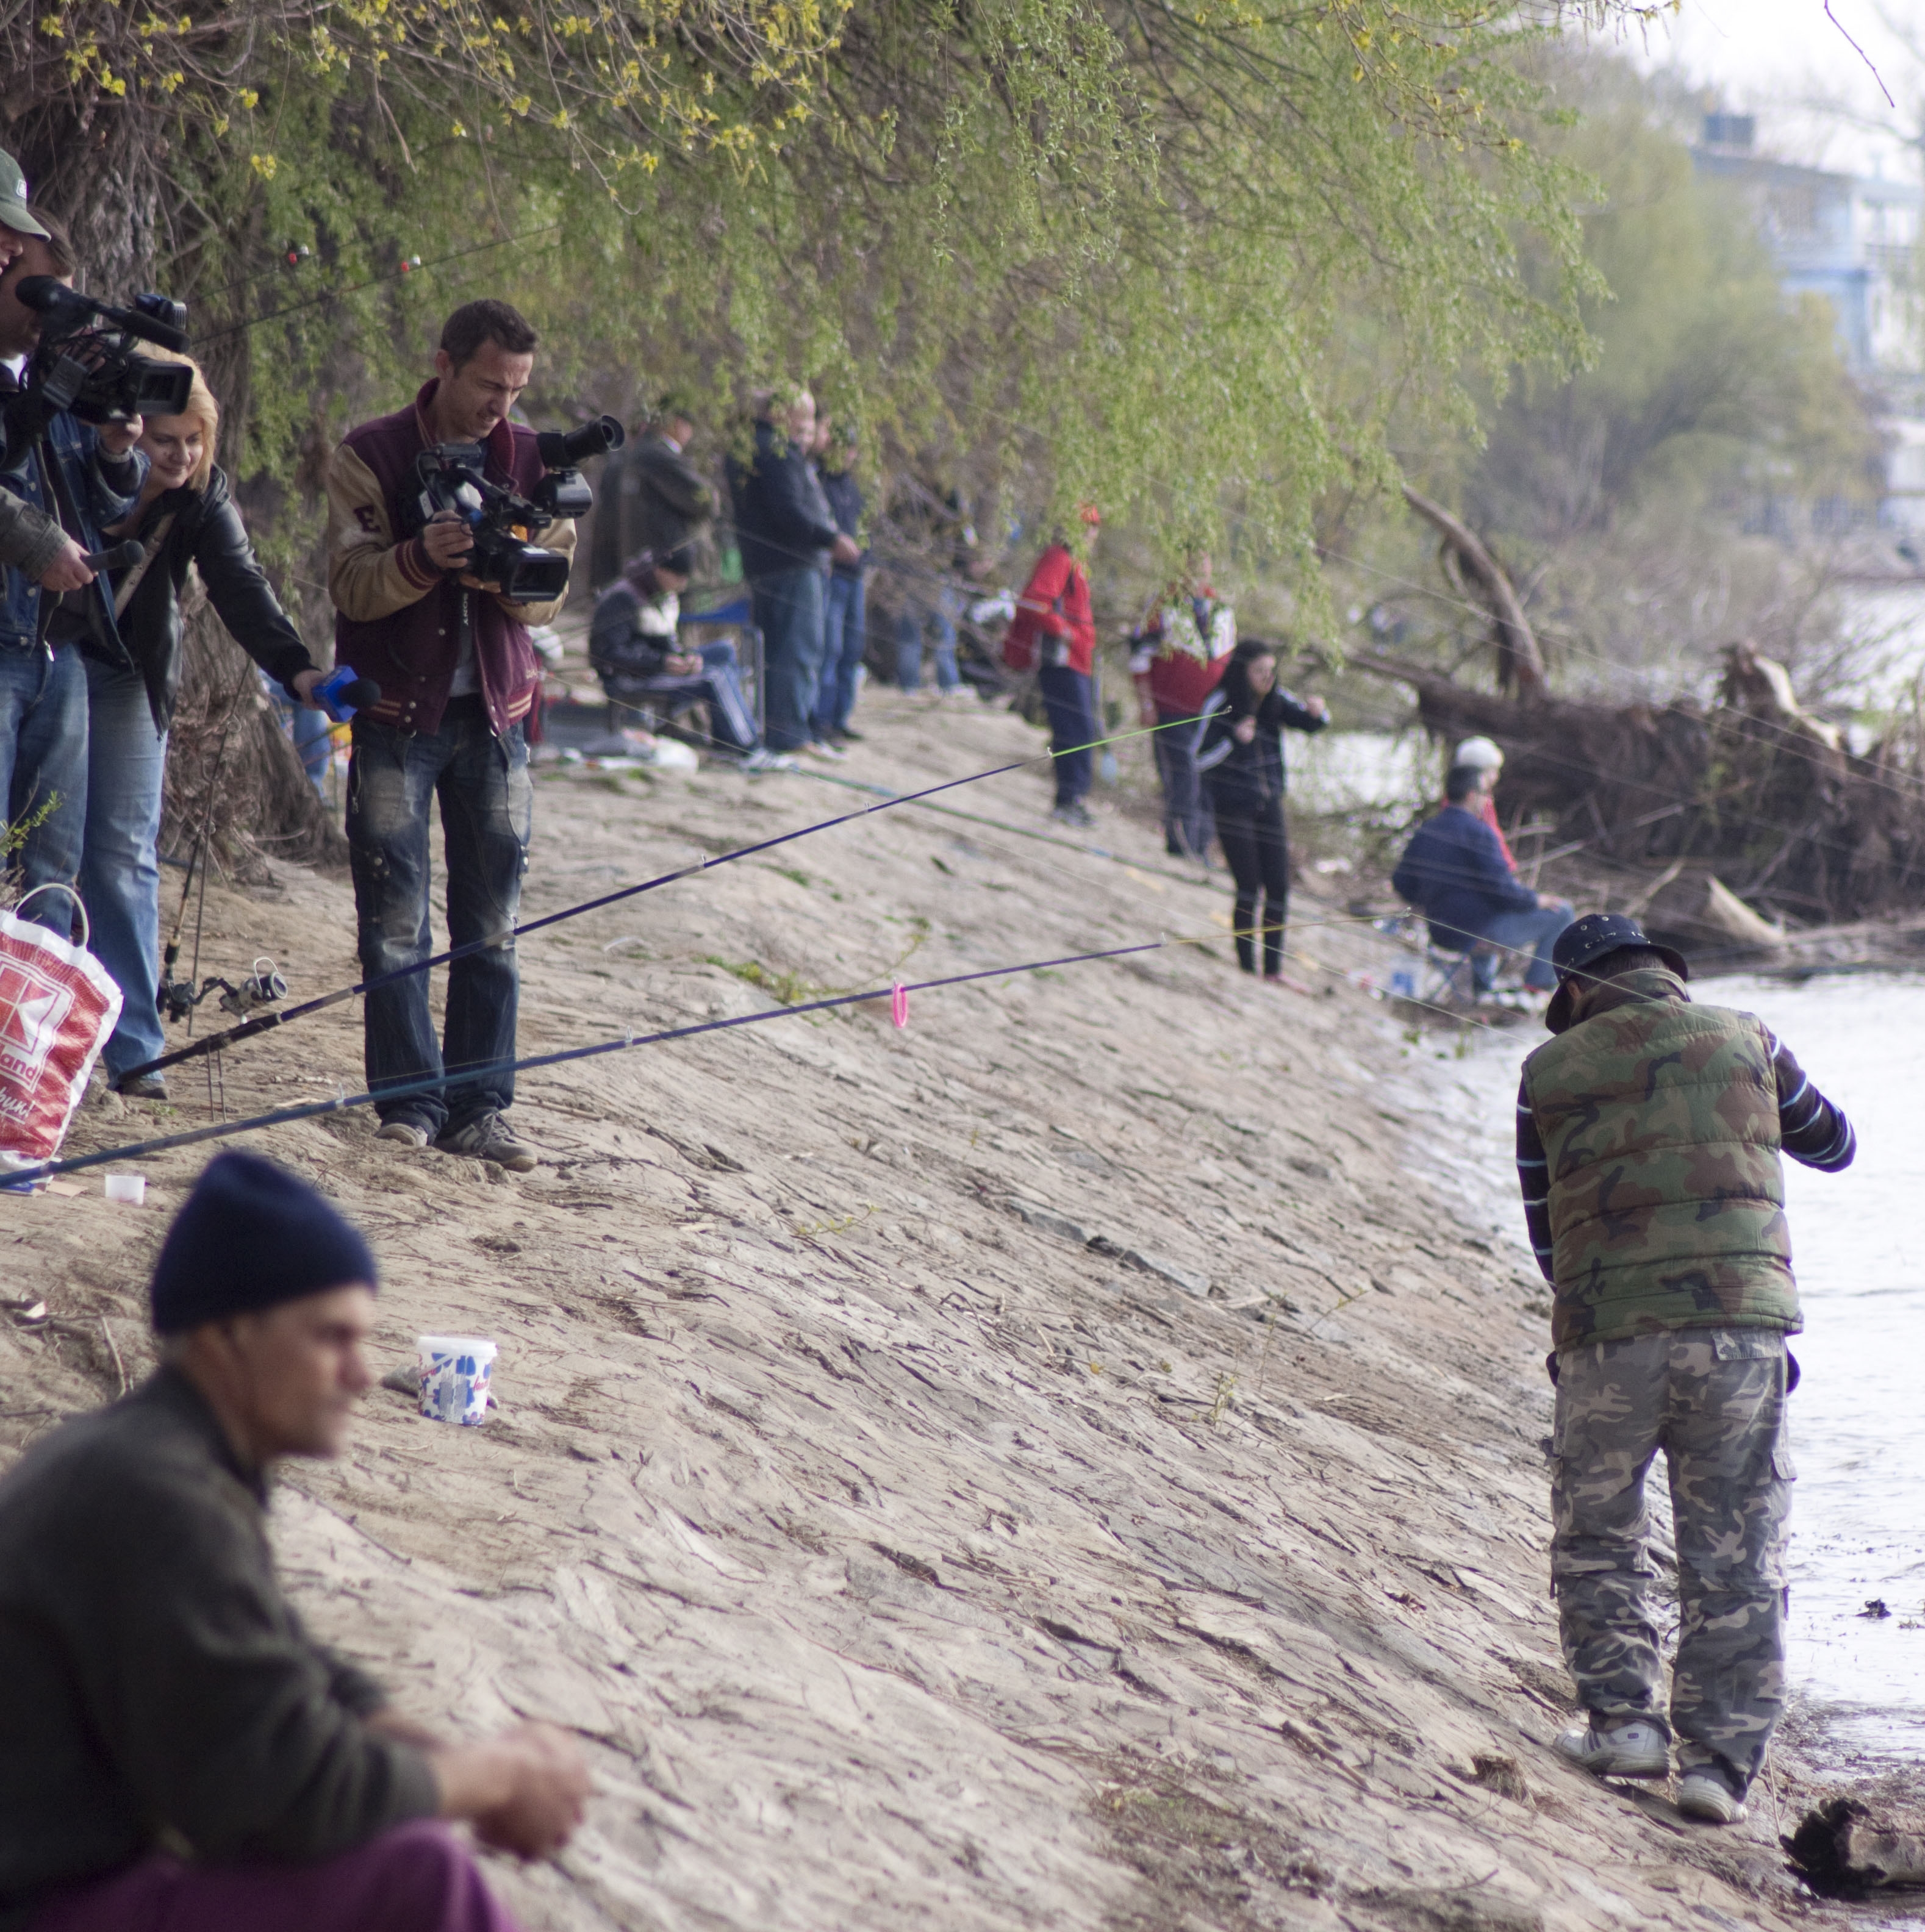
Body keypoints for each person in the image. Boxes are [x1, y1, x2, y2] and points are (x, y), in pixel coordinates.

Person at [0, 1151, 590, 1931]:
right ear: (226, 1337)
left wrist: (438, 1757)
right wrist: (498, 1777)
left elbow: (286, 1664)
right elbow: (290, 1793)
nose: (364, 1373)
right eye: (332, 1338)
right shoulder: (157, 1494)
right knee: (414, 1872)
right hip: (47, 1904)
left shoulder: (159, 1454)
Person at [1518, 913, 1855, 1825]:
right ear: (1667, 976)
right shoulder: (1750, 1036)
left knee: (1599, 1535)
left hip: (1605, 1338)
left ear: (1578, 993)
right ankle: (1718, 1765)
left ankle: (1626, 1726)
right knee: (1736, 1549)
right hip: (1743, 1335)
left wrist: (1601, 1301)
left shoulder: (1543, 1075)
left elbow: (1545, 1233)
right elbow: (1836, 1144)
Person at [326, 299, 574, 1173]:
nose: (500, 405)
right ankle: (409, 1101)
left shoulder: (536, 458)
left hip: (498, 720)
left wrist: (506, 560)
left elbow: (552, 592)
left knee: (493, 925)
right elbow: (352, 587)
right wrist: (423, 558)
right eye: (486, 384)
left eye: (516, 389)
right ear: (444, 364)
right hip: (396, 717)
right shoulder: (374, 452)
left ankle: (481, 1106)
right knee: (394, 920)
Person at [91, 352, 324, 1100]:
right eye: (166, 440)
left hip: (130, 672)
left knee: (125, 853)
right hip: (48, 658)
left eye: (194, 440)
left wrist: (298, 670)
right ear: (129, 430)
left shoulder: (203, 495)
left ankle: (133, 1051)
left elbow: (240, 583)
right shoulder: (77, 463)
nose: (181, 455)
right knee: (48, 847)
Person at [0, 209, 146, 942]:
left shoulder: (50, 383)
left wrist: (119, 451)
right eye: (44, 293)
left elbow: (102, 504)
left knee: (52, 876)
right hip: (5, 648)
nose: (47, 317)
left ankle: (29, 1054)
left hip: (61, 655)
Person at [723, 389, 859, 757]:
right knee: (796, 652)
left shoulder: (752, 445)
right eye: (803, 418)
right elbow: (790, 512)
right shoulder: (776, 450)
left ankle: (786, 730)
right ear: (781, 414)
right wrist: (831, 539)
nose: (808, 428)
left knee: (783, 651)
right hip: (791, 567)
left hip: (771, 566)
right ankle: (790, 736)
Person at [1193, 639, 1326, 986]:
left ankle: (1273, 969)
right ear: (1243, 671)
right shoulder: (1220, 702)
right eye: (1259, 672)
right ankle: (1246, 967)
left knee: (1279, 887)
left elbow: (1310, 724)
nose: (1267, 679)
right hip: (1233, 806)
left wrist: (1317, 713)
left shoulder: (1275, 701)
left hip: (1269, 804)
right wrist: (1233, 740)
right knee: (1249, 886)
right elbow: (1197, 758)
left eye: (1271, 672)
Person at [589, 546, 785, 768]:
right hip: (629, 679)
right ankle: (748, 749)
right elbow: (608, 656)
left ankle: (727, 742)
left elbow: (665, 643)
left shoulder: (662, 594)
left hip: (657, 667)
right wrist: (662, 663)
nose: (683, 584)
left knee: (723, 652)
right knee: (715, 678)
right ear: (661, 571)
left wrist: (685, 658)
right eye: (680, 577)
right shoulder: (623, 598)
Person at [1391, 763, 1572, 990]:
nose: (1488, 800)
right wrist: (1536, 900)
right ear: (1471, 795)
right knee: (1563, 913)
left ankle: (1480, 987)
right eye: (1485, 793)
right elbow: (1504, 892)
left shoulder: (1427, 830)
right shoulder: (1479, 833)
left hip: (1439, 931)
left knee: (1480, 906)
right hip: (1477, 933)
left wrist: (1431, 900)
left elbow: (1401, 882)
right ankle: (1537, 988)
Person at [1129, 554, 1236, 860]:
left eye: (1204, 562)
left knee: (1206, 776)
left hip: (1209, 713)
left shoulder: (1222, 610)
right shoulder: (1163, 604)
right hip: (1171, 708)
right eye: (1192, 562)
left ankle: (1201, 843)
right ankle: (1181, 841)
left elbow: (1229, 662)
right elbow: (1139, 653)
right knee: (1182, 773)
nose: (1199, 570)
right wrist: (1146, 702)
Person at [1002, 512, 1100, 827]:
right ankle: (1068, 799)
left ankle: (1073, 798)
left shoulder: (1076, 564)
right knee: (1075, 731)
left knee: (1081, 730)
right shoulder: (1059, 558)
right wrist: (1065, 631)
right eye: (1089, 527)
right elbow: (1034, 601)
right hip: (1061, 661)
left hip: (1077, 662)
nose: (1093, 534)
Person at [588, 395, 713, 590]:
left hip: (636, 566)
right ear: (676, 423)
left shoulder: (633, 456)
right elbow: (704, 499)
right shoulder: (656, 455)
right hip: (663, 567)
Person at [809, 420, 870, 745]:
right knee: (829, 649)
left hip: (855, 580)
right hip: (831, 579)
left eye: (851, 449)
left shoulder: (852, 489)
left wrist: (865, 555)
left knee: (851, 651)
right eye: (842, 447)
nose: (847, 455)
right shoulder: (819, 483)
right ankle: (821, 719)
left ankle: (841, 717)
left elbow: (865, 531)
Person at [892, 483, 973, 701]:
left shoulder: (914, 490)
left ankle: (938, 683)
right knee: (930, 631)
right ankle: (917, 684)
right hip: (922, 573)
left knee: (941, 631)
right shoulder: (915, 494)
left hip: (932, 574)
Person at [1452, 734, 1514, 867]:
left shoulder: (1485, 800)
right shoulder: (1470, 803)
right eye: (1492, 771)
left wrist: (1508, 865)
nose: (1497, 776)